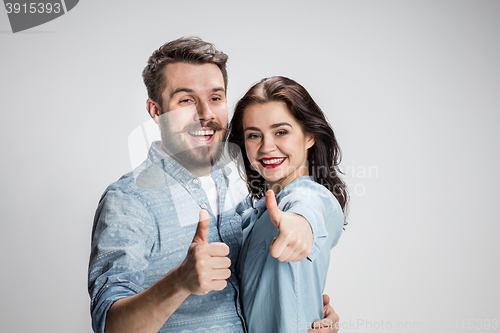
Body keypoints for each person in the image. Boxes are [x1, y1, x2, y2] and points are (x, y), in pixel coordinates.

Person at [88, 37, 340, 333]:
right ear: (155, 110)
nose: (205, 114)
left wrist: (305, 310)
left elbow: (306, 201)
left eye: (216, 98)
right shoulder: (128, 200)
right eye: (186, 100)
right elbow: (110, 326)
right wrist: (180, 282)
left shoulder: (237, 184)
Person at [228, 76, 348, 332]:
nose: (266, 147)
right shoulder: (249, 214)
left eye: (281, 132)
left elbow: (305, 209)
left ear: (310, 136)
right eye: (253, 135)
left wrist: (299, 226)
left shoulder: (313, 196)